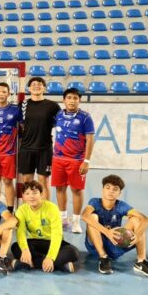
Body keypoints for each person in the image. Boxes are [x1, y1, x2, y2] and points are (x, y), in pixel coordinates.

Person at [81, 175, 148, 277]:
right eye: (107, 187)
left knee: (136, 220)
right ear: (102, 189)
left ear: (119, 193)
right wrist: (107, 232)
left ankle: (141, 261)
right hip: (95, 246)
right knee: (92, 216)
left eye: (115, 189)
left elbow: (146, 219)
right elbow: (84, 216)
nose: (111, 191)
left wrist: (138, 235)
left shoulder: (121, 205)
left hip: (115, 244)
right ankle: (103, 257)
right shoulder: (95, 202)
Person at [52, 88, 95, 233]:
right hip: (58, 158)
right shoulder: (58, 115)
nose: (72, 100)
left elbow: (90, 140)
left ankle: (76, 222)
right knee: (60, 188)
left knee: (76, 190)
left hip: (76, 160)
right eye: (69, 98)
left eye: (75, 98)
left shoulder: (85, 117)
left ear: (79, 100)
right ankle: (62, 218)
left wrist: (86, 161)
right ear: (64, 100)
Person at [11, 181, 79, 273]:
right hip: (35, 242)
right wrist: (25, 250)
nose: (31, 196)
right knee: (16, 247)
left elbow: (57, 234)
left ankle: (29, 264)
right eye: (27, 193)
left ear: (41, 194)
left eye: (35, 193)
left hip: (52, 241)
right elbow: (21, 233)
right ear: (23, 196)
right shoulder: (21, 210)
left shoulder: (52, 208)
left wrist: (50, 257)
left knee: (73, 252)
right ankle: (60, 265)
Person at [18, 77, 61, 201]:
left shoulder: (53, 106)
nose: (36, 86)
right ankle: (27, 210)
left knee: (43, 180)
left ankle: (45, 210)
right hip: (26, 148)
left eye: (40, 84)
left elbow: (58, 124)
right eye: (33, 84)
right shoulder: (23, 105)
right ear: (29, 88)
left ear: (44, 87)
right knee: (27, 180)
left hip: (44, 148)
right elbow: (21, 124)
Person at [0, 82, 21, 212]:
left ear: (9, 94)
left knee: (7, 181)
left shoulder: (15, 109)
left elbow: (22, 128)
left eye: (4, 92)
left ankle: (10, 209)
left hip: (9, 152)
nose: (1, 94)